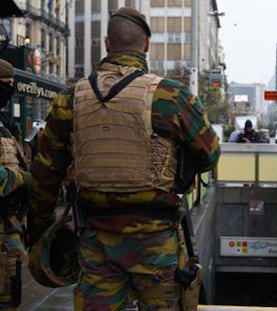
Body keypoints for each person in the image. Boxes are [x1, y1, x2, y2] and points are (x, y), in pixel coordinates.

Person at [29, 7, 220, 311]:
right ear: (146, 45)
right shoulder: (170, 96)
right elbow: (210, 155)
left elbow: (45, 173)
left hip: (95, 241)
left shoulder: (69, 99)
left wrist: (39, 227)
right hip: (156, 241)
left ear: (107, 43)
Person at [0, 59, 30, 310]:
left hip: (9, 228)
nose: (8, 92)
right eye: (4, 85)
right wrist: (24, 178)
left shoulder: (6, 127)